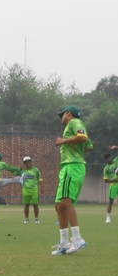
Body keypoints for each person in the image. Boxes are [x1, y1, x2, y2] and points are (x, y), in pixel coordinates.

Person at [52, 105, 91, 255]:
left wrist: (64, 141)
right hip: (68, 167)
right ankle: (63, 243)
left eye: (63, 114)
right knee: (59, 206)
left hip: (73, 167)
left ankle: (78, 239)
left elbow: (83, 138)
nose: (62, 117)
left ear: (69, 113)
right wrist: (75, 149)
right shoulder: (72, 126)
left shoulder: (75, 122)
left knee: (66, 202)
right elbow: (89, 146)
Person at [20, 156, 42, 224]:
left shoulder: (36, 170)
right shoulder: (23, 171)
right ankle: (26, 219)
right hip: (25, 190)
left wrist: (42, 187)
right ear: (24, 163)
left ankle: (36, 219)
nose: (28, 163)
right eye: (26, 162)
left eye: (29, 161)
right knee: (26, 205)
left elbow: (40, 179)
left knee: (35, 204)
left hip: (34, 189)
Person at [103, 149, 118, 223]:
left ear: (111, 157)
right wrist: (115, 180)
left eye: (109, 157)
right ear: (106, 160)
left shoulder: (116, 161)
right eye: (107, 158)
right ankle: (108, 218)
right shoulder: (106, 168)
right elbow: (105, 180)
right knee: (111, 201)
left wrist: (115, 147)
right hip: (113, 185)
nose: (109, 159)